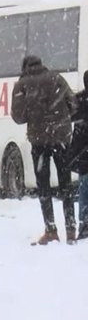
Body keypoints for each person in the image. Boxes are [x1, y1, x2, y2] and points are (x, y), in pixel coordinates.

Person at [12, 55, 76, 245]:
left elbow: (18, 117)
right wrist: (60, 121)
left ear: (25, 67)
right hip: (62, 138)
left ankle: (51, 230)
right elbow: (73, 104)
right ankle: (71, 230)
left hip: (40, 142)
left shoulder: (22, 84)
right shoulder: (57, 78)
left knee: (43, 185)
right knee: (66, 184)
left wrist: (35, 113)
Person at [69, 70, 88, 240]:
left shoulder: (80, 100)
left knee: (84, 190)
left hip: (84, 155)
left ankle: (84, 225)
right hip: (84, 154)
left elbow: (71, 115)